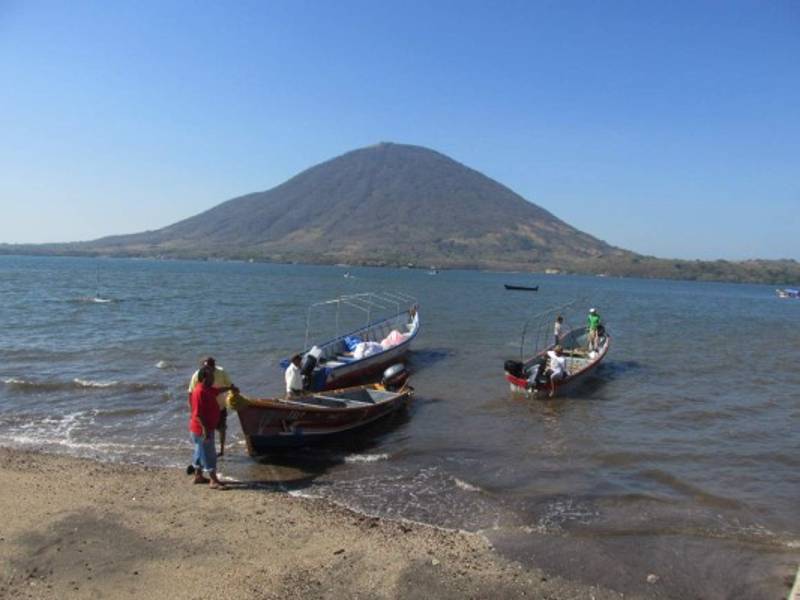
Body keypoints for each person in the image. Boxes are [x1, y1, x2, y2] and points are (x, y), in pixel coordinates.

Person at [188, 366, 235, 489]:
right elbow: (198, 414)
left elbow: (218, 391)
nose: (214, 377)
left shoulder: (207, 389)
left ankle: (198, 476)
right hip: (202, 429)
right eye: (211, 376)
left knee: (199, 452)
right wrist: (205, 430)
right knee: (210, 454)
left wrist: (230, 388)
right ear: (204, 378)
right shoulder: (199, 391)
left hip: (203, 428)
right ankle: (213, 481)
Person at [187, 357, 234, 457]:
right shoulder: (197, 375)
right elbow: (191, 393)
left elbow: (226, 386)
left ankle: (221, 451)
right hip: (205, 410)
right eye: (207, 367)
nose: (210, 369)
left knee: (221, 428)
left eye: (212, 367)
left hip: (220, 407)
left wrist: (232, 390)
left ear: (214, 366)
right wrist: (192, 411)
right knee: (206, 432)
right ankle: (205, 455)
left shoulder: (221, 371)